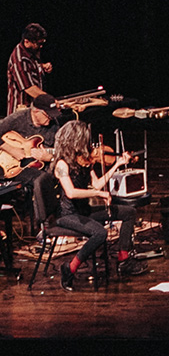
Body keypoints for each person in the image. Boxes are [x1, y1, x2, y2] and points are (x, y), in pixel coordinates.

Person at [52, 120, 148, 291]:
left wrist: (118, 164)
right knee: (100, 233)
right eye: (85, 140)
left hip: (84, 212)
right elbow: (71, 193)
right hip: (67, 215)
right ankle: (69, 268)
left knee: (129, 213)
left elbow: (97, 184)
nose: (88, 145)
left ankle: (123, 259)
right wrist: (98, 194)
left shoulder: (83, 160)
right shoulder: (61, 165)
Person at [0, 93, 61, 187]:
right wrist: (12, 150)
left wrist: (49, 158)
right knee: (41, 179)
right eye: (48, 115)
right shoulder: (16, 119)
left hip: (39, 167)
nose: (51, 118)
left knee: (48, 178)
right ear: (36, 111)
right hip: (16, 167)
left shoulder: (54, 126)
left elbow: (60, 150)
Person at [7, 23, 53, 115]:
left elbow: (30, 68)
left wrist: (42, 67)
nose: (41, 46)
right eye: (39, 43)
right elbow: (29, 88)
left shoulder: (32, 51)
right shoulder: (19, 60)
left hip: (34, 108)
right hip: (21, 111)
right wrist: (51, 101)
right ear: (27, 41)